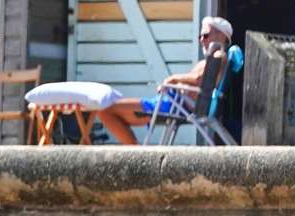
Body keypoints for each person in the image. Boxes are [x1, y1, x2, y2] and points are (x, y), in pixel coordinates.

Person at [94, 16, 234, 145]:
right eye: (200, 36)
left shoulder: (218, 55)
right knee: (107, 110)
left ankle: (136, 155)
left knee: (105, 110)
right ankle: (136, 153)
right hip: (172, 104)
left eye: (205, 35)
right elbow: (199, 81)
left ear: (221, 35)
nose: (201, 40)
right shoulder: (213, 59)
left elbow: (198, 80)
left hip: (171, 106)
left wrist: (172, 80)